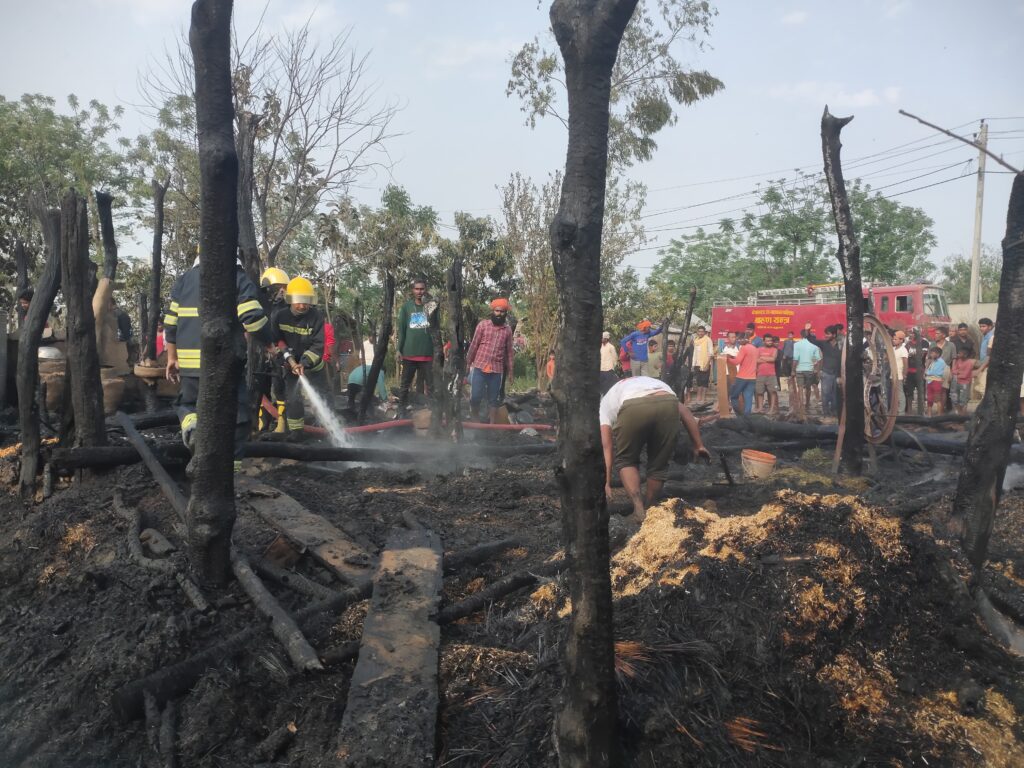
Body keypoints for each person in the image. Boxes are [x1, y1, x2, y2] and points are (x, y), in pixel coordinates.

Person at [164, 253, 272, 472]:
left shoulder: (184, 280)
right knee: (238, 413)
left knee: (188, 404)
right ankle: (233, 471)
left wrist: (171, 358)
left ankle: (193, 430)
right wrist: (269, 342)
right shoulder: (237, 277)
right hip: (225, 363)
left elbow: (170, 323)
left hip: (189, 365)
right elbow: (252, 317)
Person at [600, 376, 710, 519]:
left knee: (626, 460)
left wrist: (606, 482)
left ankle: (638, 509)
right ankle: (650, 508)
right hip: (668, 403)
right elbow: (685, 413)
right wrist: (699, 445)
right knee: (659, 464)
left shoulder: (604, 404)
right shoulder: (652, 383)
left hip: (633, 408)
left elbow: (607, 446)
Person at [270, 277, 326, 438]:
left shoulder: (316, 317)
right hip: (290, 365)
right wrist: (286, 360)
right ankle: (296, 431)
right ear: (290, 300)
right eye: (298, 302)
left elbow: (318, 345)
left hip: (313, 366)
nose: (302, 306)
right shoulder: (280, 316)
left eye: (306, 301)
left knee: (322, 395)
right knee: (293, 397)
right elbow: (275, 341)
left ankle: (325, 428)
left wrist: (304, 363)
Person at [466, 298, 514, 423]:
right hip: (480, 367)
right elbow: (474, 345)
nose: (499, 314)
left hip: (496, 370)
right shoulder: (483, 325)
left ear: (505, 313)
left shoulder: (507, 330)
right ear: (493, 311)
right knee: (476, 396)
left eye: (502, 312)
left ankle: (492, 424)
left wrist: (511, 372)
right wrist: (468, 363)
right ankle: (475, 420)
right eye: (497, 311)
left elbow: (509, 352)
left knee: (493, 399)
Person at [396, 278, 434, 415]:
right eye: (417, 289)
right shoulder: (406, 307)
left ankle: (433, 412)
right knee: (405, 385)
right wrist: (398, 350)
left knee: (431, 385)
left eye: (422, 288)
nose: (419, 291)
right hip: (409, 353)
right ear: (413, 290)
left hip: (427, 354)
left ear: (425, 289)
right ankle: (401, 411)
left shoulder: (431, 307)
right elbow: (402, 330)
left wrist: (438, 351)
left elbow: (436, 329)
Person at [259, 266, 290, 432]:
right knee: (261, 388)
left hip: (279, 352)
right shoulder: (260, 305)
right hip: (261, 352)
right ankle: (262, 422)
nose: (281, 291)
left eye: (284, 287)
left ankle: (282, 422)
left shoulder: (286, 307)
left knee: (280, 388)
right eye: (278, 287)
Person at [810, 325, 842, 421]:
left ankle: (834, 413)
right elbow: (812, 340)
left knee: (835, 395)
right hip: (826, 373)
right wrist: (808, 331)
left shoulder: (841, 345)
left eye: (828, 334)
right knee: (826, 394)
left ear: (834, 335)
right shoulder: (824, 344)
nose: (825, 336)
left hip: (837, 374)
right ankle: (826, 414)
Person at [791, 329, 822, 417]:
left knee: (800, 388)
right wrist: (817, 370)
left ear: (801, 335)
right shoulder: (814, 347)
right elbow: (819, 359)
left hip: (799, 369)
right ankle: (807, 403)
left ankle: (801, 405)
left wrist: (793, 370)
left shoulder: (796, 345)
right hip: (810, 369)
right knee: (808, 388)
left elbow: (795, 359)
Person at [727, 335, 758, 415]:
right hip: (752, 377)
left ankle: (739, 414)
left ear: (744, 339)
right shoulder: (754, 348)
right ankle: (747, 416)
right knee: (748, 397)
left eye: (739, 339)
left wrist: (727, 358)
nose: (738, 341)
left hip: (742, 377)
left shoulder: (743, 348)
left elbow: (736, 361)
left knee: (734, 396)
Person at [688, 325, 714, 404]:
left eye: (702, 332)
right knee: (699, 381)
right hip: (697, 364)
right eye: (699, 331)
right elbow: (695, 354)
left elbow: (711, 353)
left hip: (705, 363)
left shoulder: (708, 340)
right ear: (697, 332)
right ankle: (698, 397)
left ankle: (703, 398)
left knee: (704, 381)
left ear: (705, 332)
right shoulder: (696, 341)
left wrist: (707, 364)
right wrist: (693, 365)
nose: (700, 333)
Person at [904, 330, 928, 415]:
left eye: (913, 333)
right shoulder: (908, 344)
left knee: (921, 392)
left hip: (920, 371)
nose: (912, 335)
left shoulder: (924, 343)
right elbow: (905, 356)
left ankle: (921, 411)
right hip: (909, 371)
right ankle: (909, 410)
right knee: (909, 392)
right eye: (911, 333)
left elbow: (922, 355)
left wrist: (911, 354)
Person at [755, 334, 779, 415]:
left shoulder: (774, 349)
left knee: (772, 392)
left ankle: (771, 409)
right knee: (759, 392)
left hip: (771, 375)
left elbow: (773, 359)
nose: (770, 342)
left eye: (771, 341)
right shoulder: (759, 349)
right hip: (760, 374)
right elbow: (756, 360)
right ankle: (760, 408)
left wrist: (762, 358)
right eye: (768, 341)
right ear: (763, 341)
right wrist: (767, 359)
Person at [950, 347, 976, 416]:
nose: (958, 355)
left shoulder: (969, 363)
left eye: (960, 353)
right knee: (956, 399)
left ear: (965, 355)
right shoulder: (958, 361)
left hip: (965, 383)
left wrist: (957, 373)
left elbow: (965, 375)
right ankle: (959, 414)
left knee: (963, 400)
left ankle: (963, 415)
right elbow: (953, 371)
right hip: (957, 382)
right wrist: (959, 372)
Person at [975, 317, 995, 398]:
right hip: (983, 365)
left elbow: (989, 356)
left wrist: (980, 369)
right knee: (980, 388)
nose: (981, 328)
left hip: (987, 366)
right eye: (980, 326)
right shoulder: (984, 337)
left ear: (990, 327)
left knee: (983, 389)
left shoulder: (991, 338)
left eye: (984, 326)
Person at [924, 346, 947, 416]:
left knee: (937, 399)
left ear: (937, 354)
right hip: (930, 381)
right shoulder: (933, 361)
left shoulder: (941, 362)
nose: (931, 354)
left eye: (932, 353)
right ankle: (929, 415)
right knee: (929, 399)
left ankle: (939, 415)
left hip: (936, 381)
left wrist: (926, 372)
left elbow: (933, 372)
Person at [893, 330, 908, 415]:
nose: (893, 340)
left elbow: (905, 364)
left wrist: (904, 375)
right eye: (893, 339)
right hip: (893, 375)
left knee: (900, 394)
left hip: (899, 375)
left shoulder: (903, 350)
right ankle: (896, 410)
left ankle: (901, 412)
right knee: (895, 394)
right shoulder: (893, 349)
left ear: (901, 340)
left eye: (896, 339)